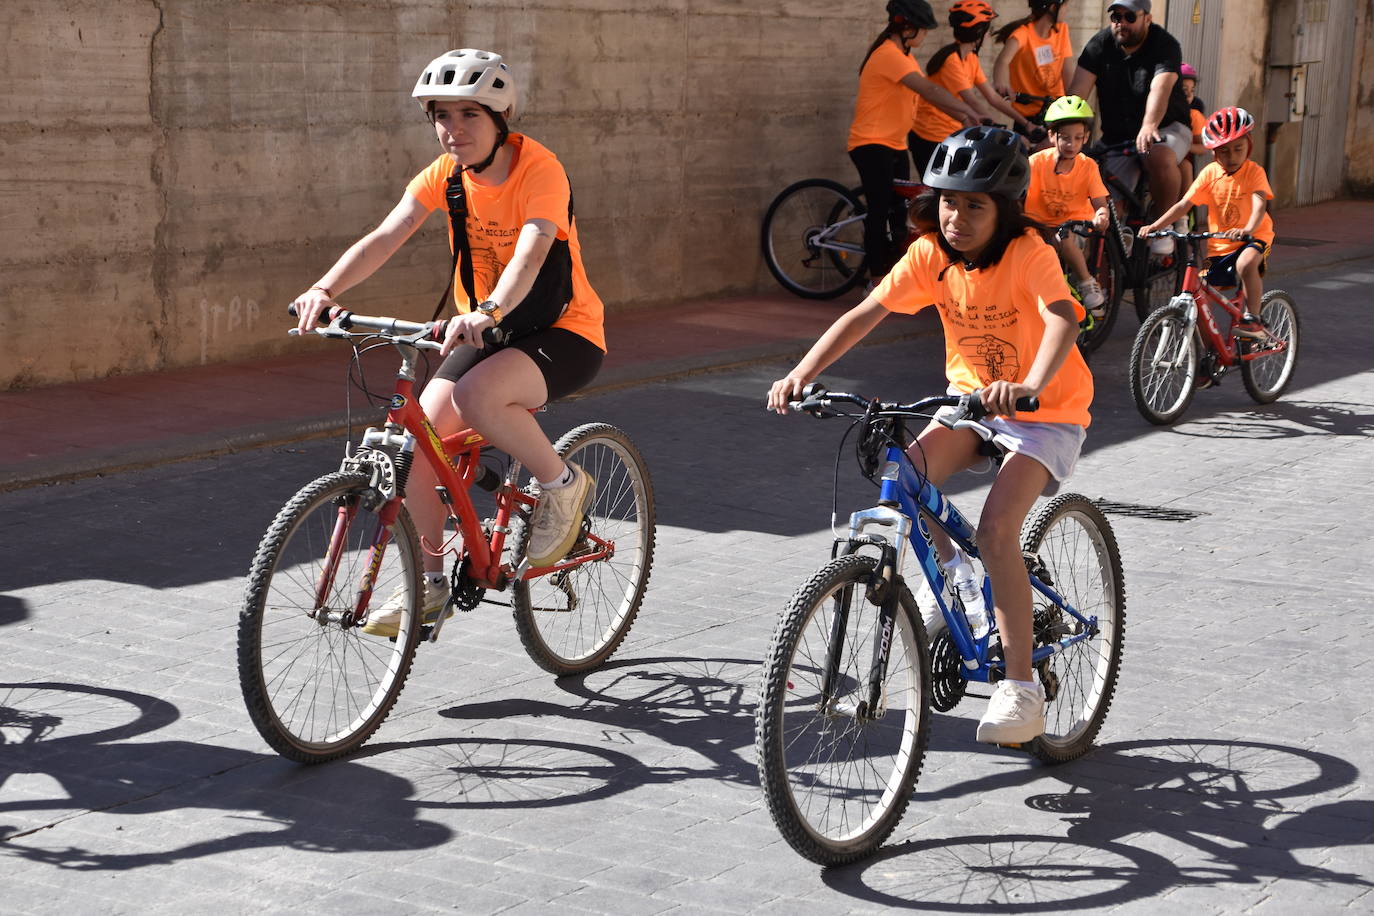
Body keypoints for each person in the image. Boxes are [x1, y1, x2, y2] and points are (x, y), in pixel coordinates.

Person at [767, 127, 1094, 745]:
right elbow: (865, 313)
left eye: (975, 204)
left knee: (999, 529)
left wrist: (1027, 383)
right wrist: (801, 374)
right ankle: (960, 577)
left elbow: (1063, 317)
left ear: (1005, 208)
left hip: (1046, 410)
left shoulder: (1030, 252)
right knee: (904, 478)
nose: (956, 216)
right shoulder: (930, 257)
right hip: (971, 402)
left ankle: (1021, 687)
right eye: (948, 200)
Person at [291, 49, 606, 636]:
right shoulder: (446, 176)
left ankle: (563, 485)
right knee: (417, 444)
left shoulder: (541, 169)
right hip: (484, 328)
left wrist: (486, 309)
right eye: (442, 116)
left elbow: (533, 250)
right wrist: (323, 287)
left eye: (469, 115)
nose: (453, 130)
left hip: (564, 332)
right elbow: (389, 233)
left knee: (484, 396)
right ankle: (430, 585)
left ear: (499, 119)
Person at [849, 0, 980, 286]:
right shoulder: (888, 55)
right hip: (871, 144)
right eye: (923, 30)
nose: (925, 36)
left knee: (901, 213)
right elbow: (930, 89)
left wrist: (963, 118)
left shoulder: (904, 56)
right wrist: (968, 111)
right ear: (906, 28)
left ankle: (898, 277)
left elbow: (927, 96)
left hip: (895, 144)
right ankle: (875, 279)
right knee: (880, 210)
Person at [1066, 0, 1193, 254]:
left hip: (1167, 126)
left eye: (1129, 17)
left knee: (1158, 154)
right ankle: (1105, 279)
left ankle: (1162, 224)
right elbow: (1076, 95)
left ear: (1147, 18)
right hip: (1117, 136)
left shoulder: (1165, 44)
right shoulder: (1099, 45)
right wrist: (1062, 128)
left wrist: (1149, 125)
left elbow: (1161, 87)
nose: (1121, 23)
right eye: (1115, 16)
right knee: (1106, 204)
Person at [1143, 107, 1274, 339]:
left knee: (1245, 264)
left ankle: (1254, 318)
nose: (1231, 157)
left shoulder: (1254, 172)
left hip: (1254, 237)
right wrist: (1157, 225)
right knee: (1199, 296)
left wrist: (1247, 230)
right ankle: (1208, 357)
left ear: (1249, 146)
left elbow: (1259, 205)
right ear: (1213, 153)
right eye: (1223, 151)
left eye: (1238, 149)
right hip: (1220, 245)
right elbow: (1184, 204)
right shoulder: (1210, 173)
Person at [909, 1, 1036, 175]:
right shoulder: (951, 61)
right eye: (987, 30)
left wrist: (1026, 123)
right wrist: (1001, 131)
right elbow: (972, 101)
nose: (989, 35)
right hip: (931, 136)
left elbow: (992, 97)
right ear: (978, 32)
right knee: (942, 192)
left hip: (952, 133)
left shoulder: (970, 59)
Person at [1024, 96, 1111, 316]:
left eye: (1078, 138)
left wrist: (1101, 214)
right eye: (1064, 138)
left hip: (1075, 228)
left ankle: (1086, 281)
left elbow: (1100, 201)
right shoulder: (1035, 163)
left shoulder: (1088, 166)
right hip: (1039, 227)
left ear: (1086, 138)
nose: (1071, 144)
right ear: (1052, 136)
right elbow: (1017, 196)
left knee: (1063, 236)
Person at [992, 1, 1076, 122]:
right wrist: (1001, 82)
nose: (1067, 10)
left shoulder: (1061, 30)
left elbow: (1067, 71)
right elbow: (1003, 61)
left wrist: (1072, 104)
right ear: (1053, 8)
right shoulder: (1023, 34)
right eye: (1065, 6)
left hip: (1057, 110)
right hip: (1029, 116)